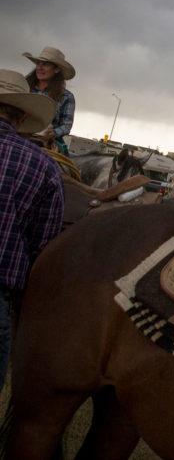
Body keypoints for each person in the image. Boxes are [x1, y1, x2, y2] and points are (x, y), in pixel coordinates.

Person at [0, 69, 64, 392]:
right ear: (22, 115)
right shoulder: (44, 168)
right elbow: (45, 247)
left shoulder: (68, 97)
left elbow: (63, 128)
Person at [22, 47, 76, 155]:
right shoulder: (24, 87)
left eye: (45, 64)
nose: (40, 68)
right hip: (20, 133)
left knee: (60, 166)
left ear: (56, 69)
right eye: (38, 63)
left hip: (47, 141)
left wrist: (53, 133)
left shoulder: (66, 96)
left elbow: (66, 125)